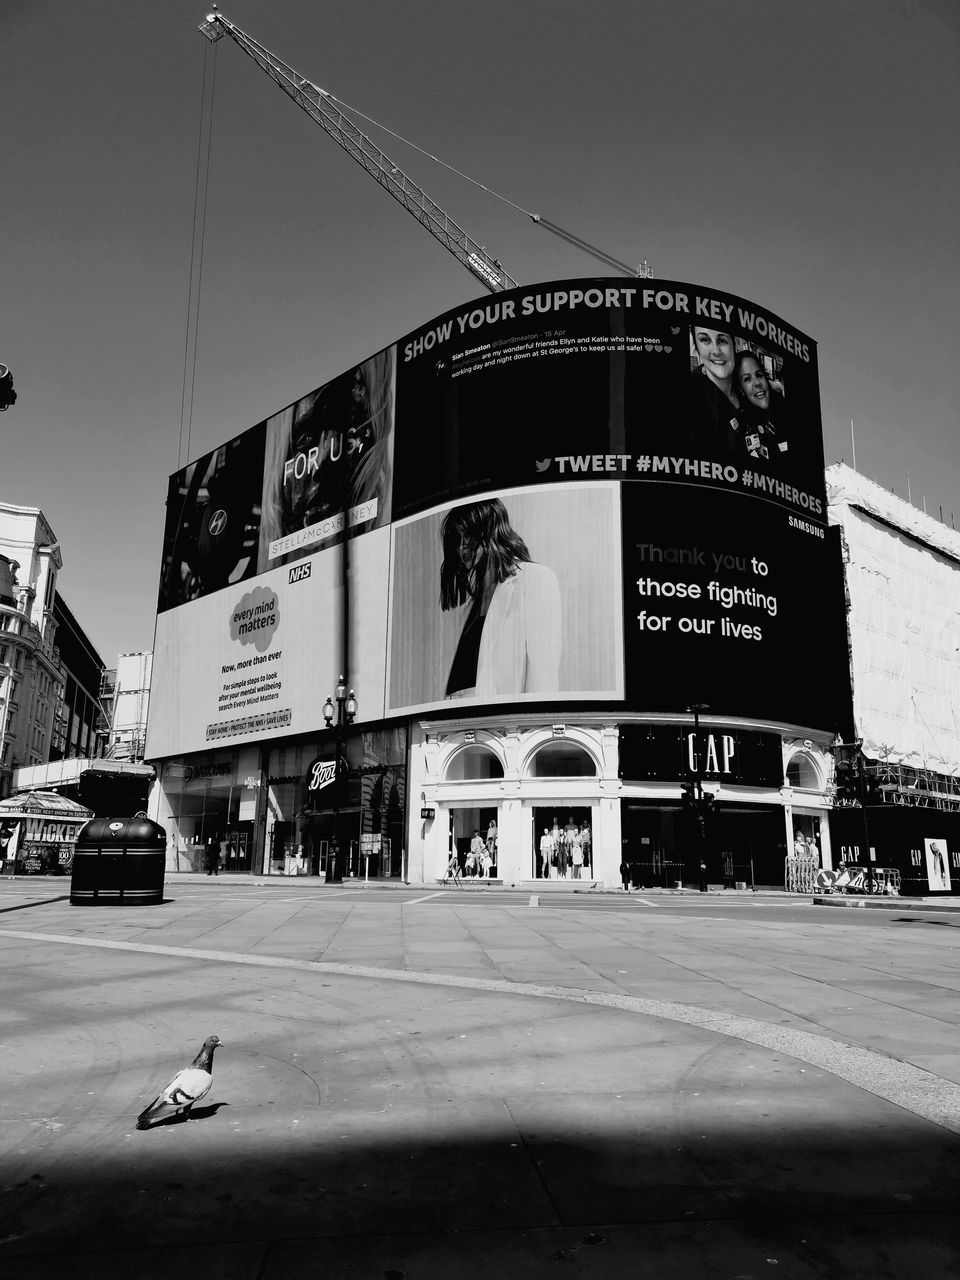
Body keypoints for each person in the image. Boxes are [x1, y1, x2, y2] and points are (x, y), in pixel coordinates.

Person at [440, 499, 561, 699]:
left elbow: (543, 679)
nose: (461, 548)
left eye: (467, 536)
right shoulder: (472, 603)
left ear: (488, 529)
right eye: (457, 540)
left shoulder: (534, 579)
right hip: (456, 723)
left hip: (500, 726)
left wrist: (532, 728)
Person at [686, 326, 744, 456]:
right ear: (697, 350)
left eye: (722, 341)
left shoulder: (745, 389)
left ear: (735, 347)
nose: (716, 351)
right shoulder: (692, 398)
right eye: (705, 340)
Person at [734, 350, 790, 467]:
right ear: (740, 389)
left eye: (759, 375)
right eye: (747, 379)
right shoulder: (741, 426)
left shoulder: (783, 410)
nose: (757, 383)